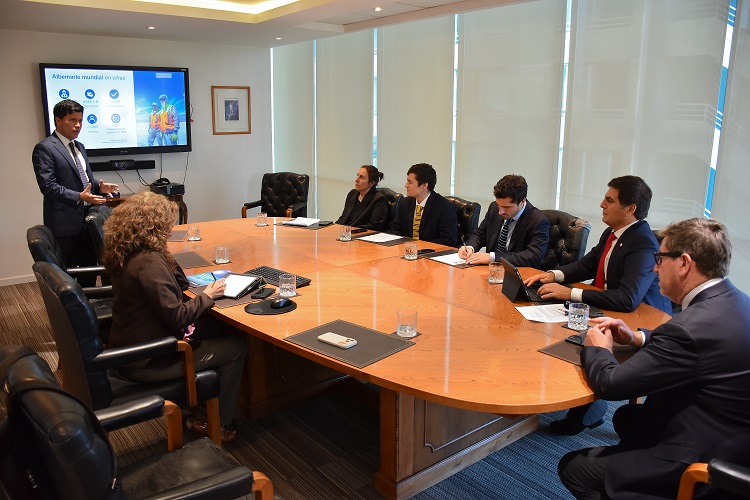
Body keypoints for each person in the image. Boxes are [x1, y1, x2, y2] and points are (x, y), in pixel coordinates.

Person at [558, 218, 750, 499]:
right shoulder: (737, 300)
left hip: (701, 460)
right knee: (628, 418)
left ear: (684, 263)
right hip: (732, 436)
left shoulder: (689, 327)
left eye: (659, 259)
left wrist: (598, 347)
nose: (655, 268)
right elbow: (698, 343)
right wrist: (638, 337)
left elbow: (611, 385)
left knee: (574, 468)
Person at [526, 175, 672, 435]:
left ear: (630, 209)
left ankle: (586, 411)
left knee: (579, 340)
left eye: (609, 200)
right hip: (612, 308)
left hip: (641, 319)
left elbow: (627, 298)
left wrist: (571, 293)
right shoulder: (613, 232)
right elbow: (588, 264)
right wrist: (554, 275)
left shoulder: (643, 243)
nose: (601, 205)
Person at [102, 191, 246, 442]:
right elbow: (178, 317)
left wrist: (165, 254)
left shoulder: (129, 251)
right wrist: (208, 295)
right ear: (153, 227)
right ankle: (211, 422)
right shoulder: (148, 262)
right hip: (148, 360)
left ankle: (202, 402)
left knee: (217, 328)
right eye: (167, 225)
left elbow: (180, 284)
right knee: (236, 346)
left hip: (131, 347)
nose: (171, 230)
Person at [32, 99, 119, 276]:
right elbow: (48, 186)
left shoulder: (79, 147)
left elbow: (84, 179)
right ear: (58, 120)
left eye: (80, 120)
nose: (78, 125)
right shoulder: (45, 148)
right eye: (72, 120)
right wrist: (79, 196)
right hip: (65, 225)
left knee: (90, 271)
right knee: (67, 274)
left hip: (89, 223)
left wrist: (99, 186)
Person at [458, 174, 549, 267]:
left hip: (517, 272)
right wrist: (470, 247)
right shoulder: (494, 207)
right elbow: (480, 234)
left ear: (522, 201)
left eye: (507, 207)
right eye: (499, 205)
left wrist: (493, 257)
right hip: (490, 270)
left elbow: (533, 257)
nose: (500, 212)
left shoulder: (538, 220)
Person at [389, 163, 457, 246]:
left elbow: (448, 240)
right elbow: (395, 230)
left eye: (410, 182)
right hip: (406, 250)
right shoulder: (405, 203)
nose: (406, 185)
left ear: (424, 185)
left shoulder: (444, 207)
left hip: (430, 252)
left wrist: (419, 246)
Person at [335, 165, 389, 231]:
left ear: (371, 183)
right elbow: (343, 218)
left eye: (362, 177)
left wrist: (350, 229)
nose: (356, 180)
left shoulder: (379, 199)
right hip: (345, 232)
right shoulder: (352, 194)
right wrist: (333, 227)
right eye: (357, 175)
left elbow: (374, 226)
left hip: (360, 234)